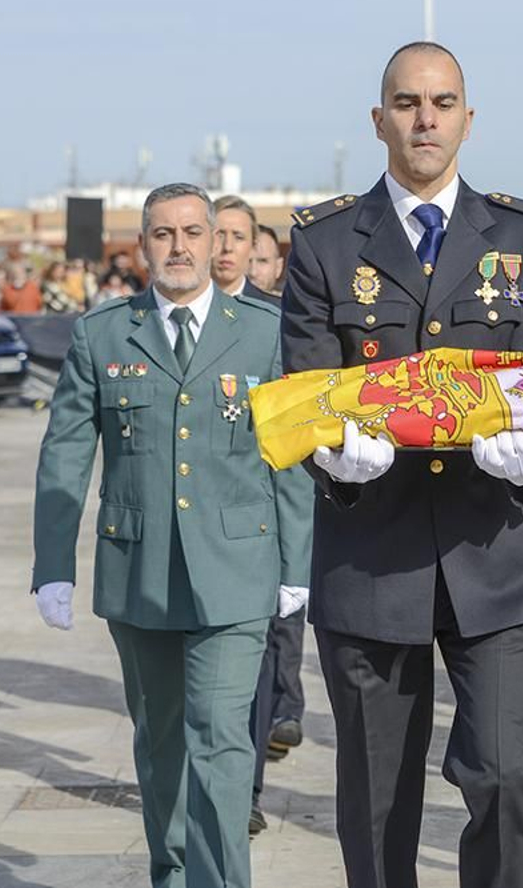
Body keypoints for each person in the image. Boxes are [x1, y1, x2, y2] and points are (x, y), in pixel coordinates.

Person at [281, 41, 523, 888]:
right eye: (407, 103)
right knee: (375, 802)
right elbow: (304, 389)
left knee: (509, 775)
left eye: (442, 103)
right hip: (371, 556)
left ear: (468, 120)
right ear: (379, 121)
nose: (426, 119)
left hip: (494, 554)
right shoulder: (327, 242)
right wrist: (337, 462)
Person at [31, 182, 311, 888]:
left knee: (221, 743)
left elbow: (291, 456)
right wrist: (54, 563)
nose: (180, 247)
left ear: (217, 240)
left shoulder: (265, 331)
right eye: (163, 234)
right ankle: (174, 872)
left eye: (193, 232)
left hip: (237, 570)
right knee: (160, 751)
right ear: (143, 245)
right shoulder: (102, 333)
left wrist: (296, 564)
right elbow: (65, 452)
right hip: (140, 573)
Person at [208, 192, 298, 835]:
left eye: (237, 237)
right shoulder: (167, 317)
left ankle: (245, 794)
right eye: (216, 235)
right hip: (195, 518)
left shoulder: (275, 323)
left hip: (256, 519)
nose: (224, 248)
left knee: (256, 658)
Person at [249, 225, 285, 294]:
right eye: (246, 261)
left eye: (263, 261)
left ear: (278, 267)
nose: (253, 272)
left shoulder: (293, 304)